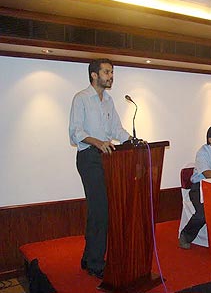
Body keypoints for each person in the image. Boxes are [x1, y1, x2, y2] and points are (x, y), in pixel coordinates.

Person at [69, 58, 132, 279]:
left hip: (108, 159)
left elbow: (116, 128)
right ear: (94, 75)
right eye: (107, 72)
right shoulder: (81, 98)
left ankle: (88, 257)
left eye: (112, 72)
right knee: (100, 211)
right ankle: (96, 263)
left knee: (99, 210)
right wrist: (97, 142)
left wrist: (134, 141)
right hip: (89, 157)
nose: (111, 76)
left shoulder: (109, 101)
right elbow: (75, 132)